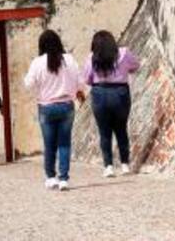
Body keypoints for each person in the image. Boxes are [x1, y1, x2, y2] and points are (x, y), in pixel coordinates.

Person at [23, 29, 85, 191]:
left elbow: (28, 84)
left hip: (46, 107)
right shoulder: (69, 60)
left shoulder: (37, 62)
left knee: (49, 144)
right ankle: (64, 178)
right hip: (66, 105)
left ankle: (51, 177)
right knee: (64, 143)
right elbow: (80, 81)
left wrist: (40, 87)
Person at [85, 30, 141, 177]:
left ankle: (108, 167)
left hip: (100, 93)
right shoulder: (124, 52)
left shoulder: (92, 57)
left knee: (104, 132)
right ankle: (125, 165)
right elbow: (136, 66)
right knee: (121, 130)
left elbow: (87, 79)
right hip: (120, 93)